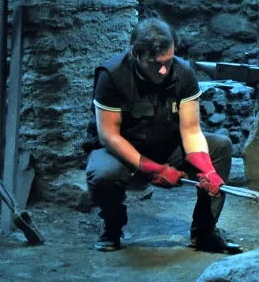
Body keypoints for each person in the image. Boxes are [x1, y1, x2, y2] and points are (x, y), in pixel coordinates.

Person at [83, 17, 241, 254]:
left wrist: (206, 169)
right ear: (136, 54)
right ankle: (112, 226)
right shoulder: (113, 75)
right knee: (104, 174)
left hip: (167, 144)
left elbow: (190, 130)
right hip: (121, 150)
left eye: (168, 61)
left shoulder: (183, 72)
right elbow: (109, 136)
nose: (164, 70)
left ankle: (205, 233)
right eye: (155, 64)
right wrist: (154, 169)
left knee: (220, 148)